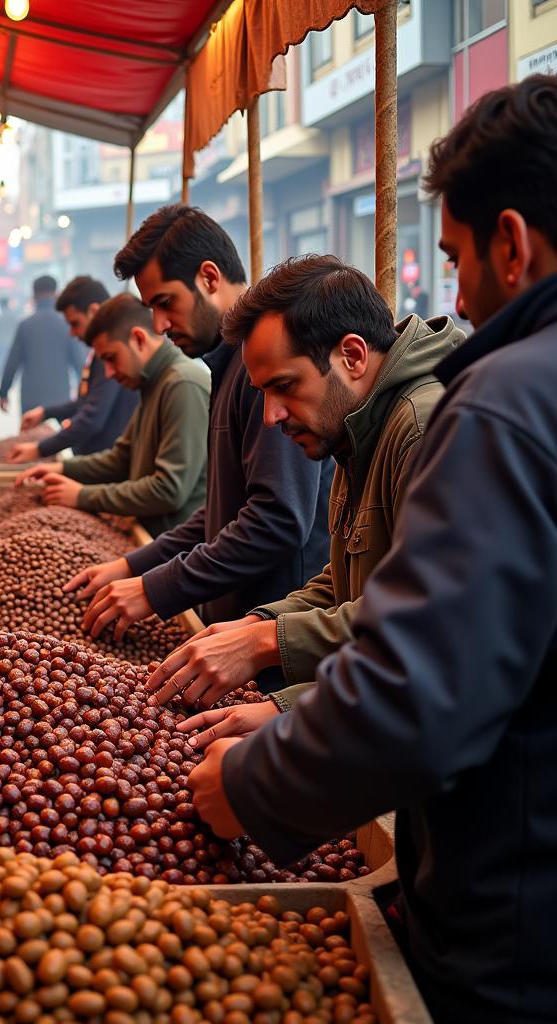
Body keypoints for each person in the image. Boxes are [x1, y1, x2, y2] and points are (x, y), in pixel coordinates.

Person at [187, 76, 557, 1023]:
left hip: (516, 916)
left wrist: (256, 778)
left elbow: (424, 684)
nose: (461, 291)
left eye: (458, 257)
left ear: (510, 242)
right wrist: (282, 678)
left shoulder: (494, 407)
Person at [145, 254, 462, 722]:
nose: (271, 415)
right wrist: (256, 625)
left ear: (351, 356)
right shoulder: (355, 433)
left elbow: (432, 623)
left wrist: (266, 651)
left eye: (285, 386)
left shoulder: (426, 430)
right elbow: (347, 580)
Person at [67, 206, 332, 674]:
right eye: (152, 308)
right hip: (231, 632)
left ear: (209, 278)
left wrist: (157, 588)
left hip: (272, 644)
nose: (160, 324)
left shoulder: (265, 373)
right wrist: (136, 567)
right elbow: (220, 511)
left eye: (166, 302)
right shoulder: (225, 368)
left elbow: (276, 520)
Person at [14, 294, 209, 539]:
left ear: (138, 339)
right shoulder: (154, 383)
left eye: (111, 358)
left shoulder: (182, 384)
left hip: (177, 547)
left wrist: (82, 496)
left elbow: (169, 490)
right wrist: (63, 468)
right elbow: (120, 459)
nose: (108, 372)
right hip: (152, 537)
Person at [10, 275, 138, 462]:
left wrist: (41, 449)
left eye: (75, 323)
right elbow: (87, 402)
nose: (72, 332)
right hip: (98, 460)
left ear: (93, 312)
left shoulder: (111, 354)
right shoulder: (100, 352)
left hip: (106, 461)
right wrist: (46, 412)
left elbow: (92, 418)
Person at [0, 274, 85, 414]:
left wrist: (3, 392)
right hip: (60, 397)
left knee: (31, 436)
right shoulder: (67, 324)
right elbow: (78, 361)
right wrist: (85, 391)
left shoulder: (25, 325)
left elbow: (12, 363)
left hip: (31, 397)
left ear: (34, 296)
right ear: (56, 294)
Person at [0, 294, 20, 373]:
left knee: (1, 361)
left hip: (1, 343)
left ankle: (2, 375)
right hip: (12, 343)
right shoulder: (14, 316)